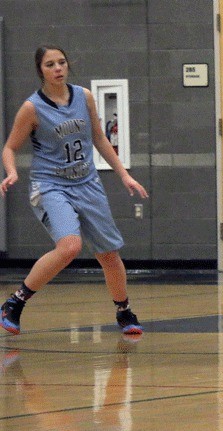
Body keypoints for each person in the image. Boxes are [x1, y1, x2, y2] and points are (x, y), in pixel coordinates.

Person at [0, 45, 148, 336]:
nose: (57, 68)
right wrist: (12, 171)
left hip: (87, 182)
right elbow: (9, 147)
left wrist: (124, 175)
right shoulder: (32, 108)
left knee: (109, 254)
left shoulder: (84, 96)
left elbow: (99, 138)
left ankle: (124, 311)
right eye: (50, 64)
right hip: (51, 184)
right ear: (40, 70)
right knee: (70, 247)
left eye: (61, 62)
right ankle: (15, 303)